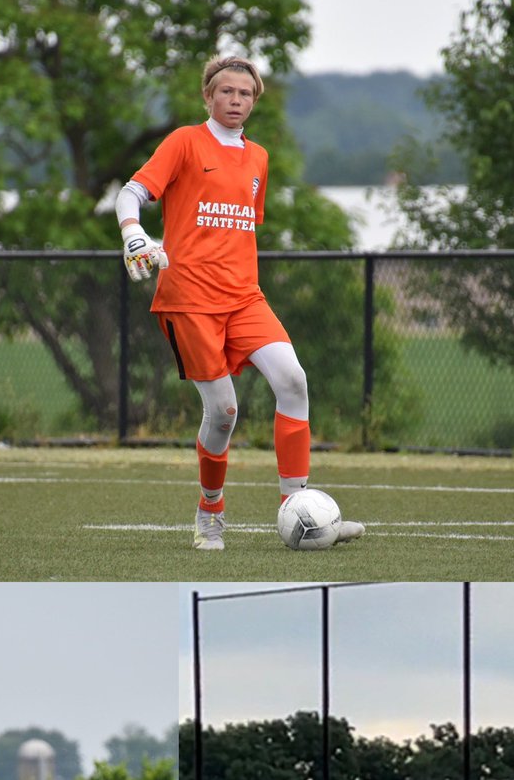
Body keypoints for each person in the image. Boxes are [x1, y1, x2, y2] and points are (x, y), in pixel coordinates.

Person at [114, 55, 365, 551]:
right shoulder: (185, 141)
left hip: (245, 297)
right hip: (189, 300)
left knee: (293, 380)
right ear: (208, 96)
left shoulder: (259, 158)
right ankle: (210, 514)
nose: (235, 100)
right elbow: (130, 193)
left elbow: (240, 228)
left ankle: (298, 508)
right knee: (224, 412)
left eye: (245, 94)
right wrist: (134, 235)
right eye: (226, 92)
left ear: (255, 100)